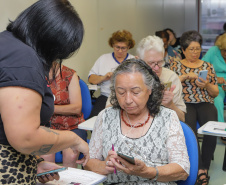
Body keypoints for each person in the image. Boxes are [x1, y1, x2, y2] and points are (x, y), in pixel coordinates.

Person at [0, 0, 89, 184]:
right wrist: (73, 139)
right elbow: (25, 137)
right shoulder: (23, 59)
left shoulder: (6, 43)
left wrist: (36, 163)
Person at [85, 58, 190, 185]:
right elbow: (89, 162)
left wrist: (148, 172)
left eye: (135, 92)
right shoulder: (105, 116)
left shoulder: (167, 117)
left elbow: (182, 170)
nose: (128, 100)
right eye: (121, 92)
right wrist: (105, 165)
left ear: (150, 89)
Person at [170, 30, 219, 185]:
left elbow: (216, 92)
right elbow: (169, 86)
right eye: (191, 49)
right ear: (183, 50)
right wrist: (184, 77)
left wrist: (206, 85)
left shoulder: (207, 66)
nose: (195, 52)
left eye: (198, 48)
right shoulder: (175, 65)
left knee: (212, 127)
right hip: (185, 103)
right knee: (189, 132)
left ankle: (204, 167)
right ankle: (196, 167)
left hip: (204, 102)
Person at [41, 62, 87, 168]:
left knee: (71, 155)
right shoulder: (36, 73)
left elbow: (76, 108)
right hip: (46, 126)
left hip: (72, 126)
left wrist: (49, 109)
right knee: (45, 157)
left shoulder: (70, 74)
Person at [136, 35, 186, 122]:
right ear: (139, 61)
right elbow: (109, 110)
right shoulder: (128, 78)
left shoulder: (171, 77)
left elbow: (182, 118)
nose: (156, 68)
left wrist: (170, 105)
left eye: (160, 62)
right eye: (151, 63)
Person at [88, 30, 135, 117]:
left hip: (128, 98)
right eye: (117, 47)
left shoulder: (133, 61)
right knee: (95, 120)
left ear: (129, 47)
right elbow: (91, 79)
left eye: (123, 48)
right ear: (112, 45)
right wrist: (103, 78)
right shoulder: (103, 59)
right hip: (106, 96)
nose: (120, 51)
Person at [202, 33, 226, 144]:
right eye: (224, 51)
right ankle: (223, 130)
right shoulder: (213, 51)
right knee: (217, 99)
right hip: (216, 83)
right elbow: (202, 70)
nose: (225, 54)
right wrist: (215, 78)